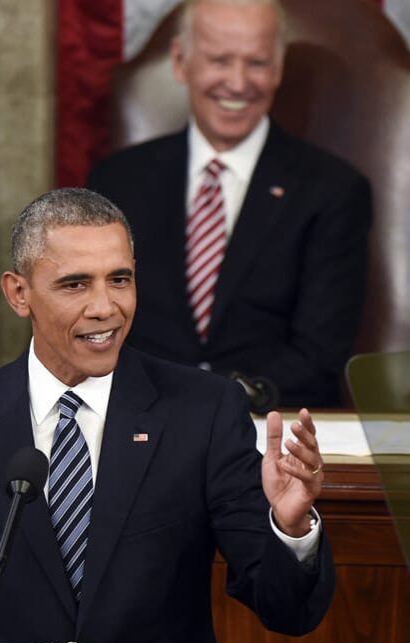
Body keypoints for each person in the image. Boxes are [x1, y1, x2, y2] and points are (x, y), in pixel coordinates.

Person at [0, 188, 334, 643]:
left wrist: (291, 529)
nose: (106, 307)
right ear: (18, 293)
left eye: (120, 279)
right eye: (75, 284)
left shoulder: (203, 411)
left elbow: (286, 611)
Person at [87, 0, 372, 410]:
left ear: (278, 69)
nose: (238, 84)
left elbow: (319, 355)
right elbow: (92, 322)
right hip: (137, 423)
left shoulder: (333, 190)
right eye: (219, 60)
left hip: (268, 427)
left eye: (256, 63)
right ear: (181, 62)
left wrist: (216, 404)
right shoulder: (116, 182)